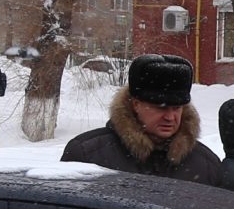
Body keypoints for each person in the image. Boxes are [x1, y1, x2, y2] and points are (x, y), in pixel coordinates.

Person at [62, 52, 223, 184]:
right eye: (161, 107)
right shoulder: (87, 154)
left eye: (177, 108)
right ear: (136, 104)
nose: (170, 117)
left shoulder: (206, 165)